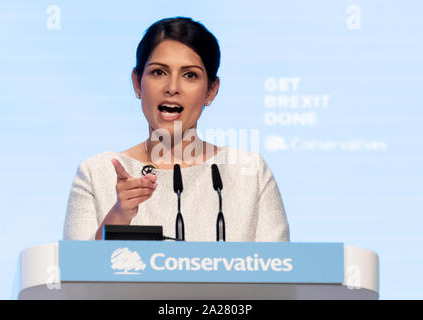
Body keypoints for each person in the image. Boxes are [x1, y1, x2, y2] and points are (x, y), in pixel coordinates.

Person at [63, 17, 290, 242]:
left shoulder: (251, 174)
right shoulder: (96, 173)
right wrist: (120, 215)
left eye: (190, 75)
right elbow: (76, 273)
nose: (172, 88)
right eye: (158, 72)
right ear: (137, 82)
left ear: (211, 90)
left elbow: (281, 271)